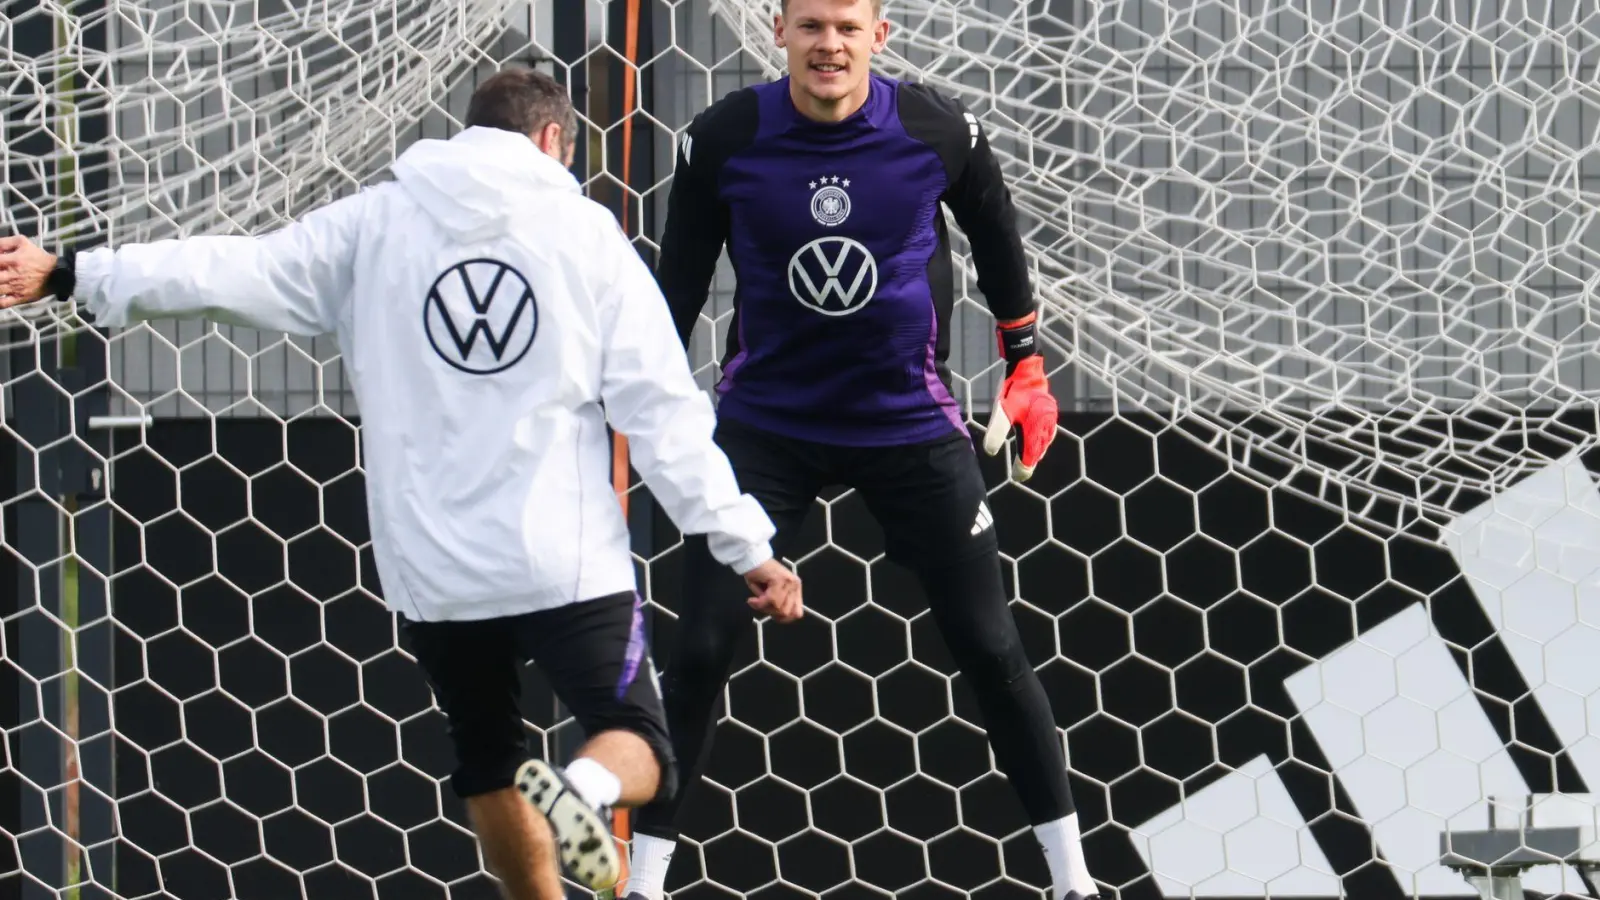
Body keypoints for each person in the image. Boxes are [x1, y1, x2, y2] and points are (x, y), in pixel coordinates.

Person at [0, 66, 803, 900]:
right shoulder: (585, 233)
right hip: (559, 558)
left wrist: (71, 273)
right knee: (641, 744)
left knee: (489, 760)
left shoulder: (372, 225)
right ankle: (583, 791)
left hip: (434, 571)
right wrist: (745, 542)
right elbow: (663, 411)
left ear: (466, 133)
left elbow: (224, 271)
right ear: (554, 140)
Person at [618, 1, 1102, 899]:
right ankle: (642, 886)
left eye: (846, 26)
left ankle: (1076, 882)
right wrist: (632, 408)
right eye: (810, 26)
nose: (828, 45)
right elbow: (672, 291)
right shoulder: (726, 138)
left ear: (878, 35)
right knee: (701, 651)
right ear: (779, 32)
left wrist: (1026, 362)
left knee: (990, 645)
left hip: (908, 428)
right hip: (765, 427)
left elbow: (997, 235)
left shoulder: (936, 128)